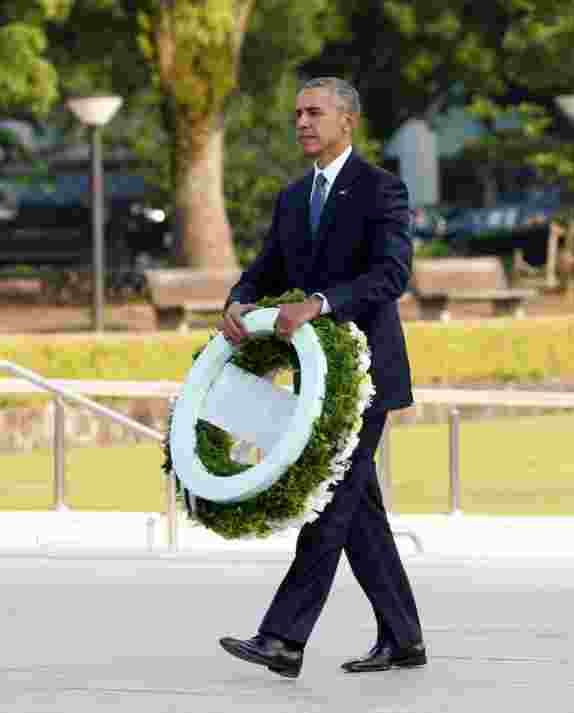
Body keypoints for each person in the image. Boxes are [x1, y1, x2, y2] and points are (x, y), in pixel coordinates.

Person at [217, 77, 425, 679]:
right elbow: (264, 269)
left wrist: (320, 302)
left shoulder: (383, 190)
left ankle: (283, 637)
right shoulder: (291, 198)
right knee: (357, 509)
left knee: (329, 501)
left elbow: (392, 274)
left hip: (368, 377)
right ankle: (404, 638)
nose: (302, 122)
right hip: (314, 380)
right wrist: (238, 299)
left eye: (315, 112)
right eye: (297, 114)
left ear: (347, 121)